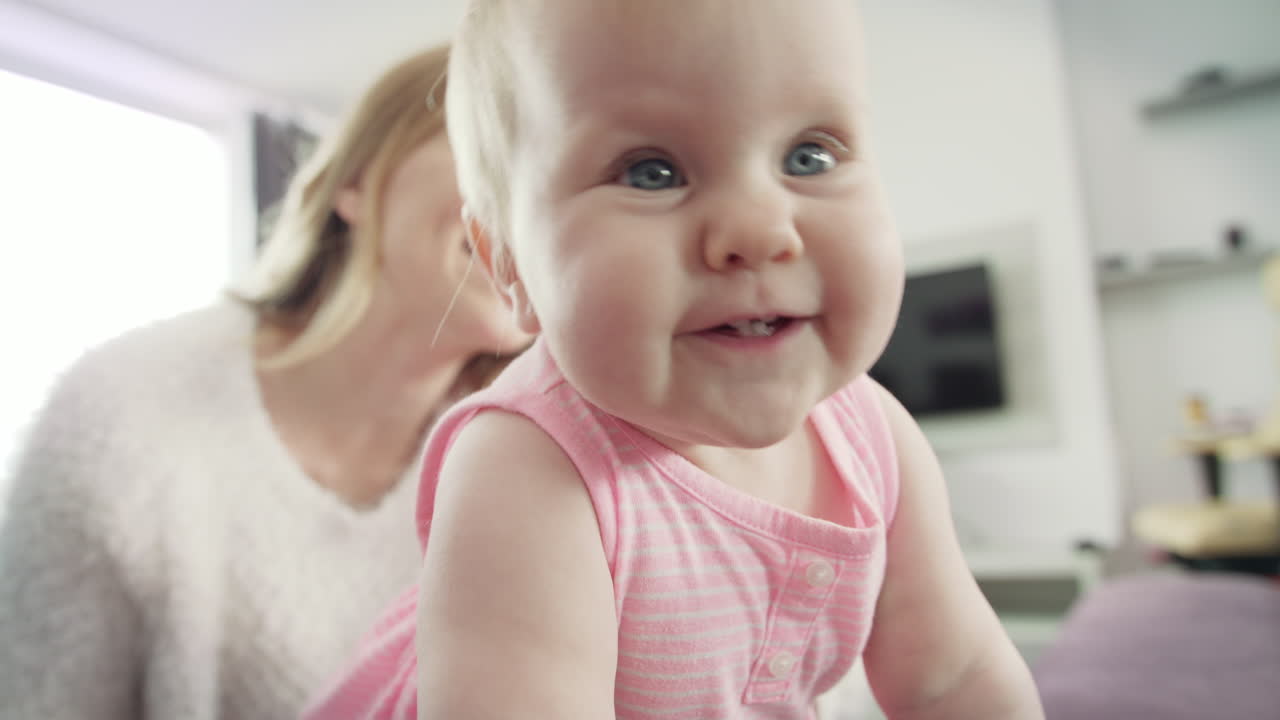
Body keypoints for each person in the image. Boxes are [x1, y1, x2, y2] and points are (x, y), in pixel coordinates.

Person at [304, 1, 1045, 718]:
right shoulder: (530, 467)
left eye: (809, 156)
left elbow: (953, 679)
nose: (759, 229)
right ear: (511, 269)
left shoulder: (875, 439)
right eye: (651, 172)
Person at [0, 44, 528, 719]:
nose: (535, 200)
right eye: (495, 145)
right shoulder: (117, 414)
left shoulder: (536, 456)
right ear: (357, 184)